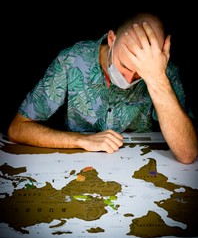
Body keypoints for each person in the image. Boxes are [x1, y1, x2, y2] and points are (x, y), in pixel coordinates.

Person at [8, 12, 198, 164]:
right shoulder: (71, 60)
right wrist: (81, 140)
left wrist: (156, 78)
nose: (128, 79)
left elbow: (187, 154)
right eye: (124, 66)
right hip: (79, 168)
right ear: (111, 39)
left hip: (139, 168)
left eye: (140, 73)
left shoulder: (164, 71)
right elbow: (17, 129)